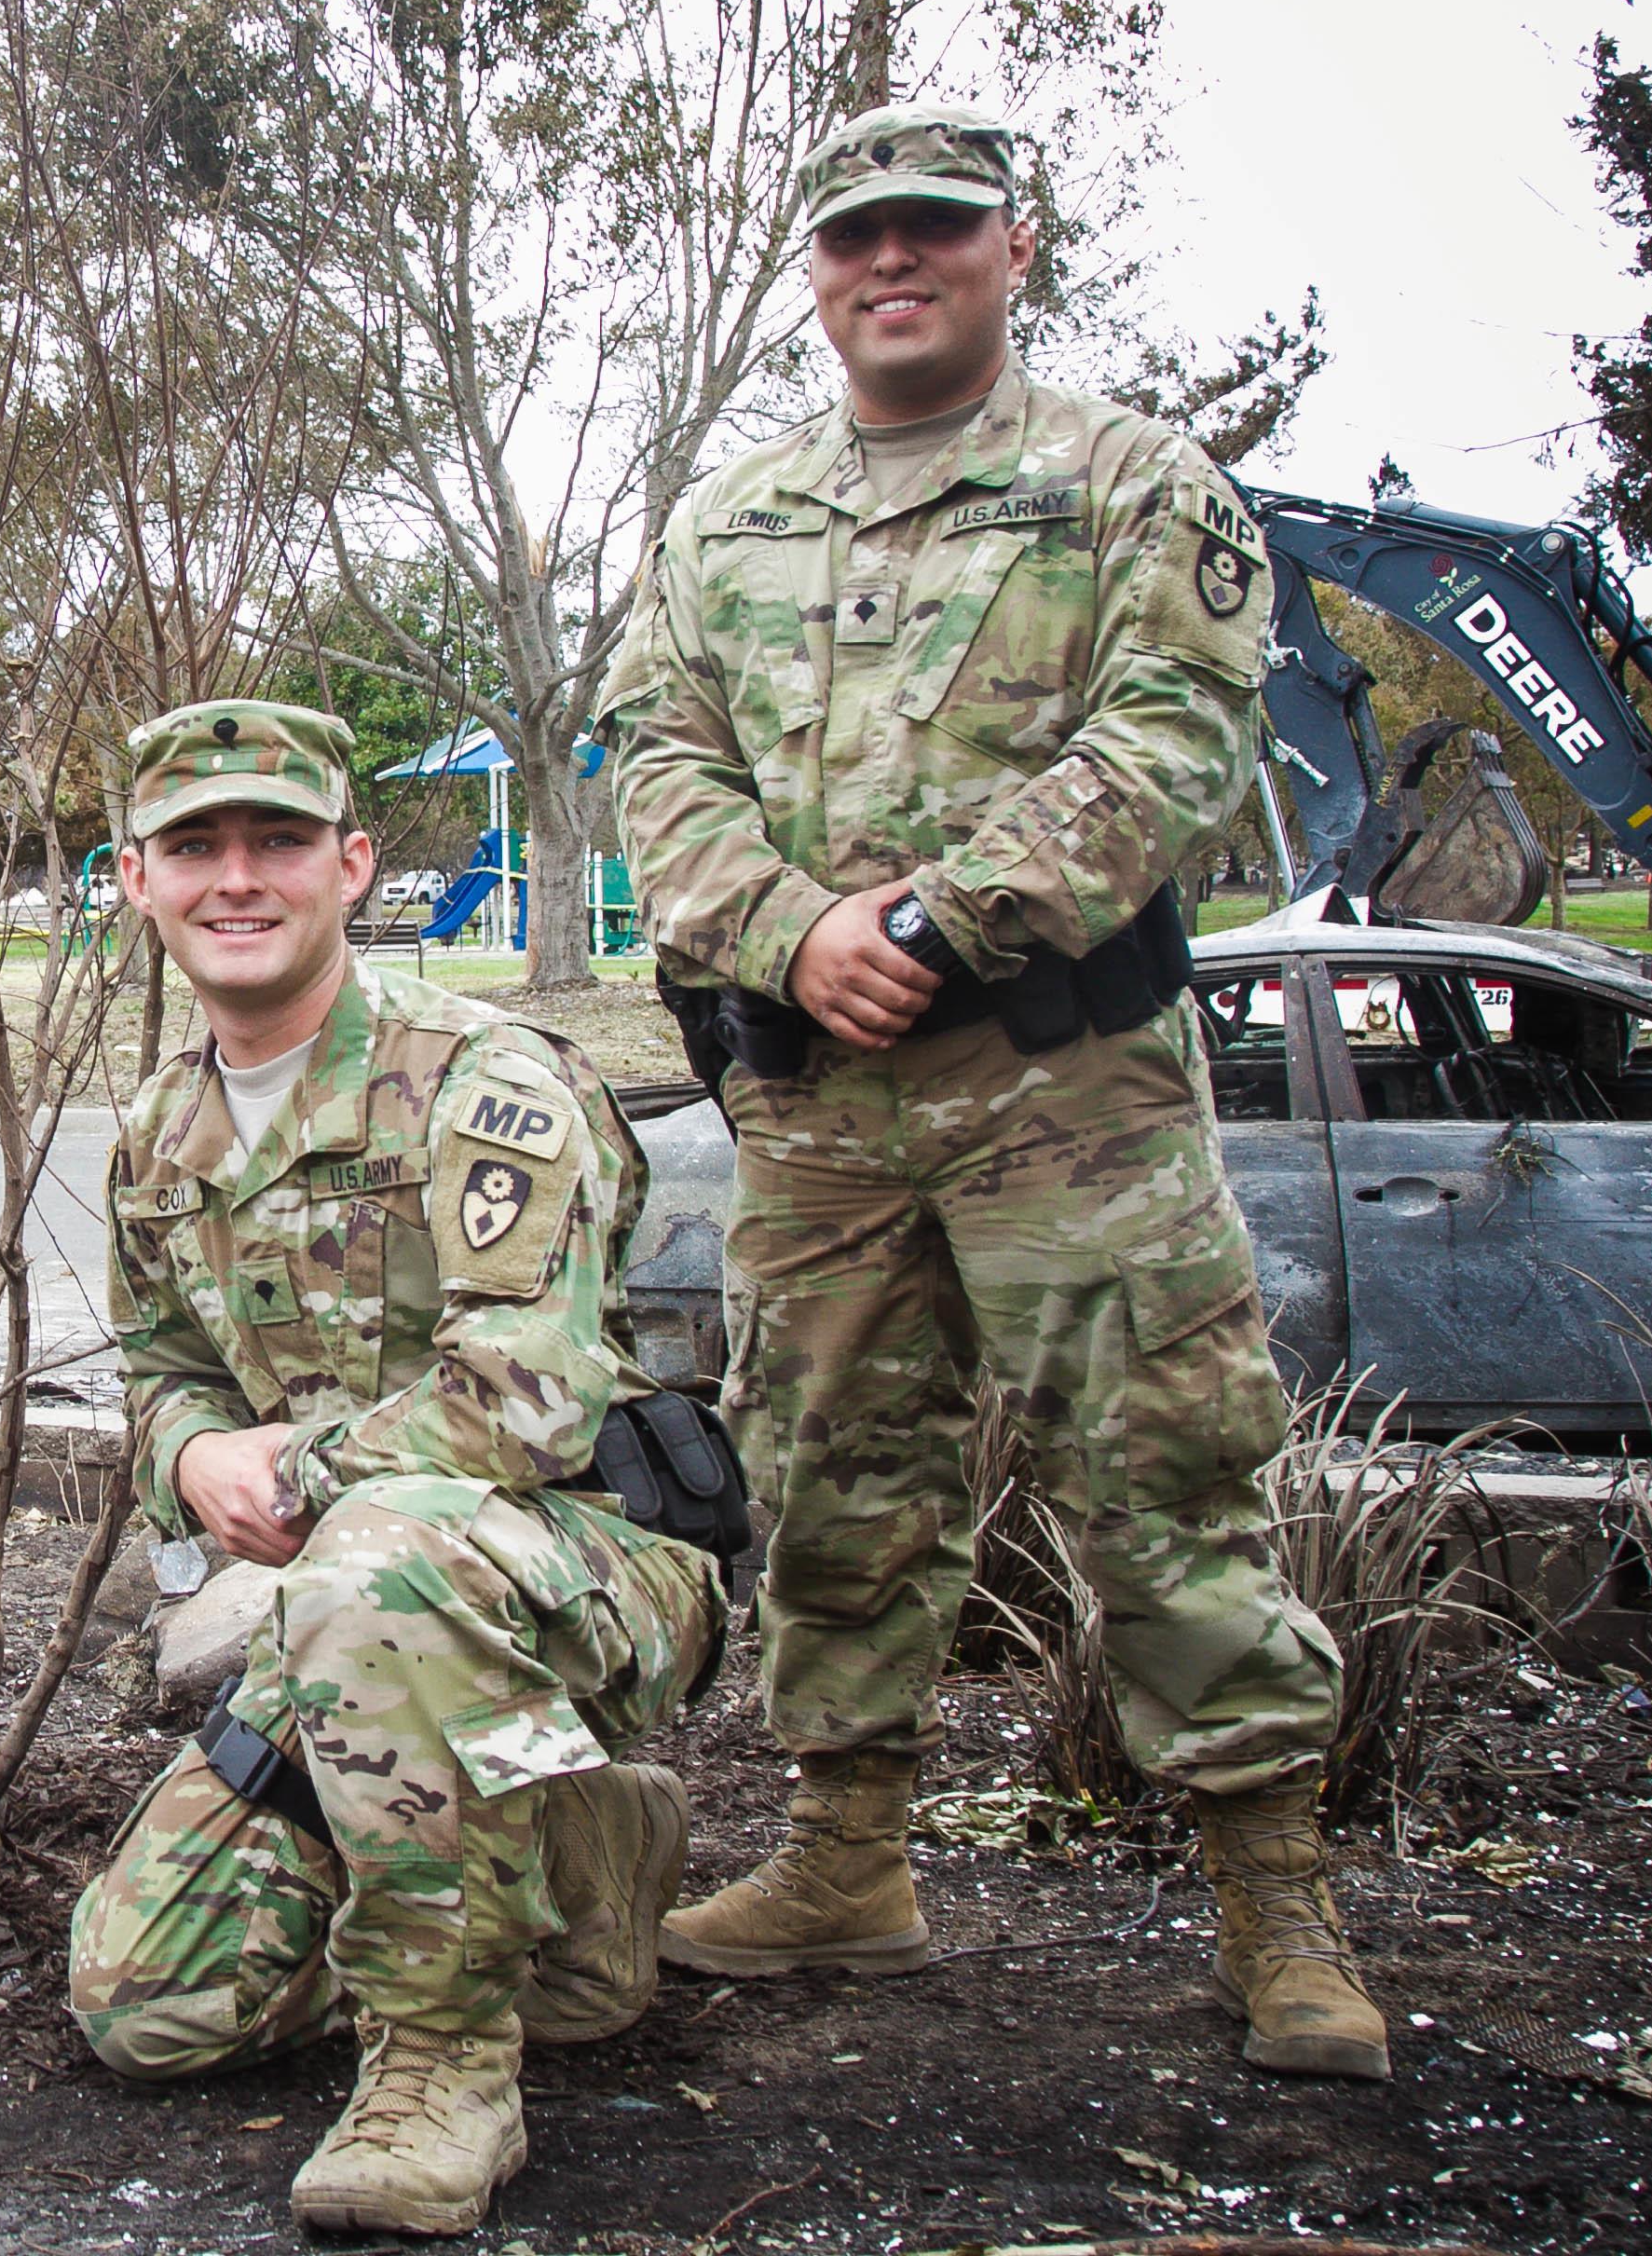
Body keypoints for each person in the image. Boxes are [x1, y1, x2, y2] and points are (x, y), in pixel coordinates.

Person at [593, 102, 1386, 2080]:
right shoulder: (726, 519)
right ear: (816, 268)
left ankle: (1275, 1913)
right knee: (837, 1479)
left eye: (935, 228)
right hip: (817, 1111)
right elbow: (656, 760)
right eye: (857, 234)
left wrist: (933, 925)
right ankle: (847, 1866)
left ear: (1010, 249)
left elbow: (1180, 735)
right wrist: (787, 933)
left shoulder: (1129, 481)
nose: (894, 262)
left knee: (1167, 1480)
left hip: (1067, 1093)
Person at [64, 701, 726, 2237]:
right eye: (194, 848)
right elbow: (160, 1368)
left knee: (382, 1556)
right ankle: (579, 1842)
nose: (240, 879)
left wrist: (284, 1468)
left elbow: (525, 1409)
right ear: (137, 885)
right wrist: (190, 1453)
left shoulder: (483, 1080)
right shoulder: (160, 1133)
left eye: (280, 841)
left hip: (587, 1571)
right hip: (363, 1616)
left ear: (354, 867)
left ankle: (443, 2069)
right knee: (145, 2008)